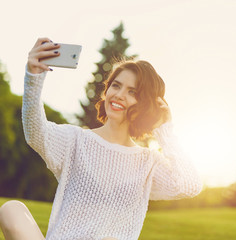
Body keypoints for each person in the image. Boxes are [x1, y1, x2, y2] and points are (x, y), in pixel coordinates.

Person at [0, 38, 203, 240]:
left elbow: (189, 185)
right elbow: (36, 132)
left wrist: (164, 130)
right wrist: (34, 76)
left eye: (132, 92)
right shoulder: (76, 140)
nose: (119, 95)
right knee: (12, 210)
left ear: (144, 104)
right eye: (116, 86)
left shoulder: (148, 163)